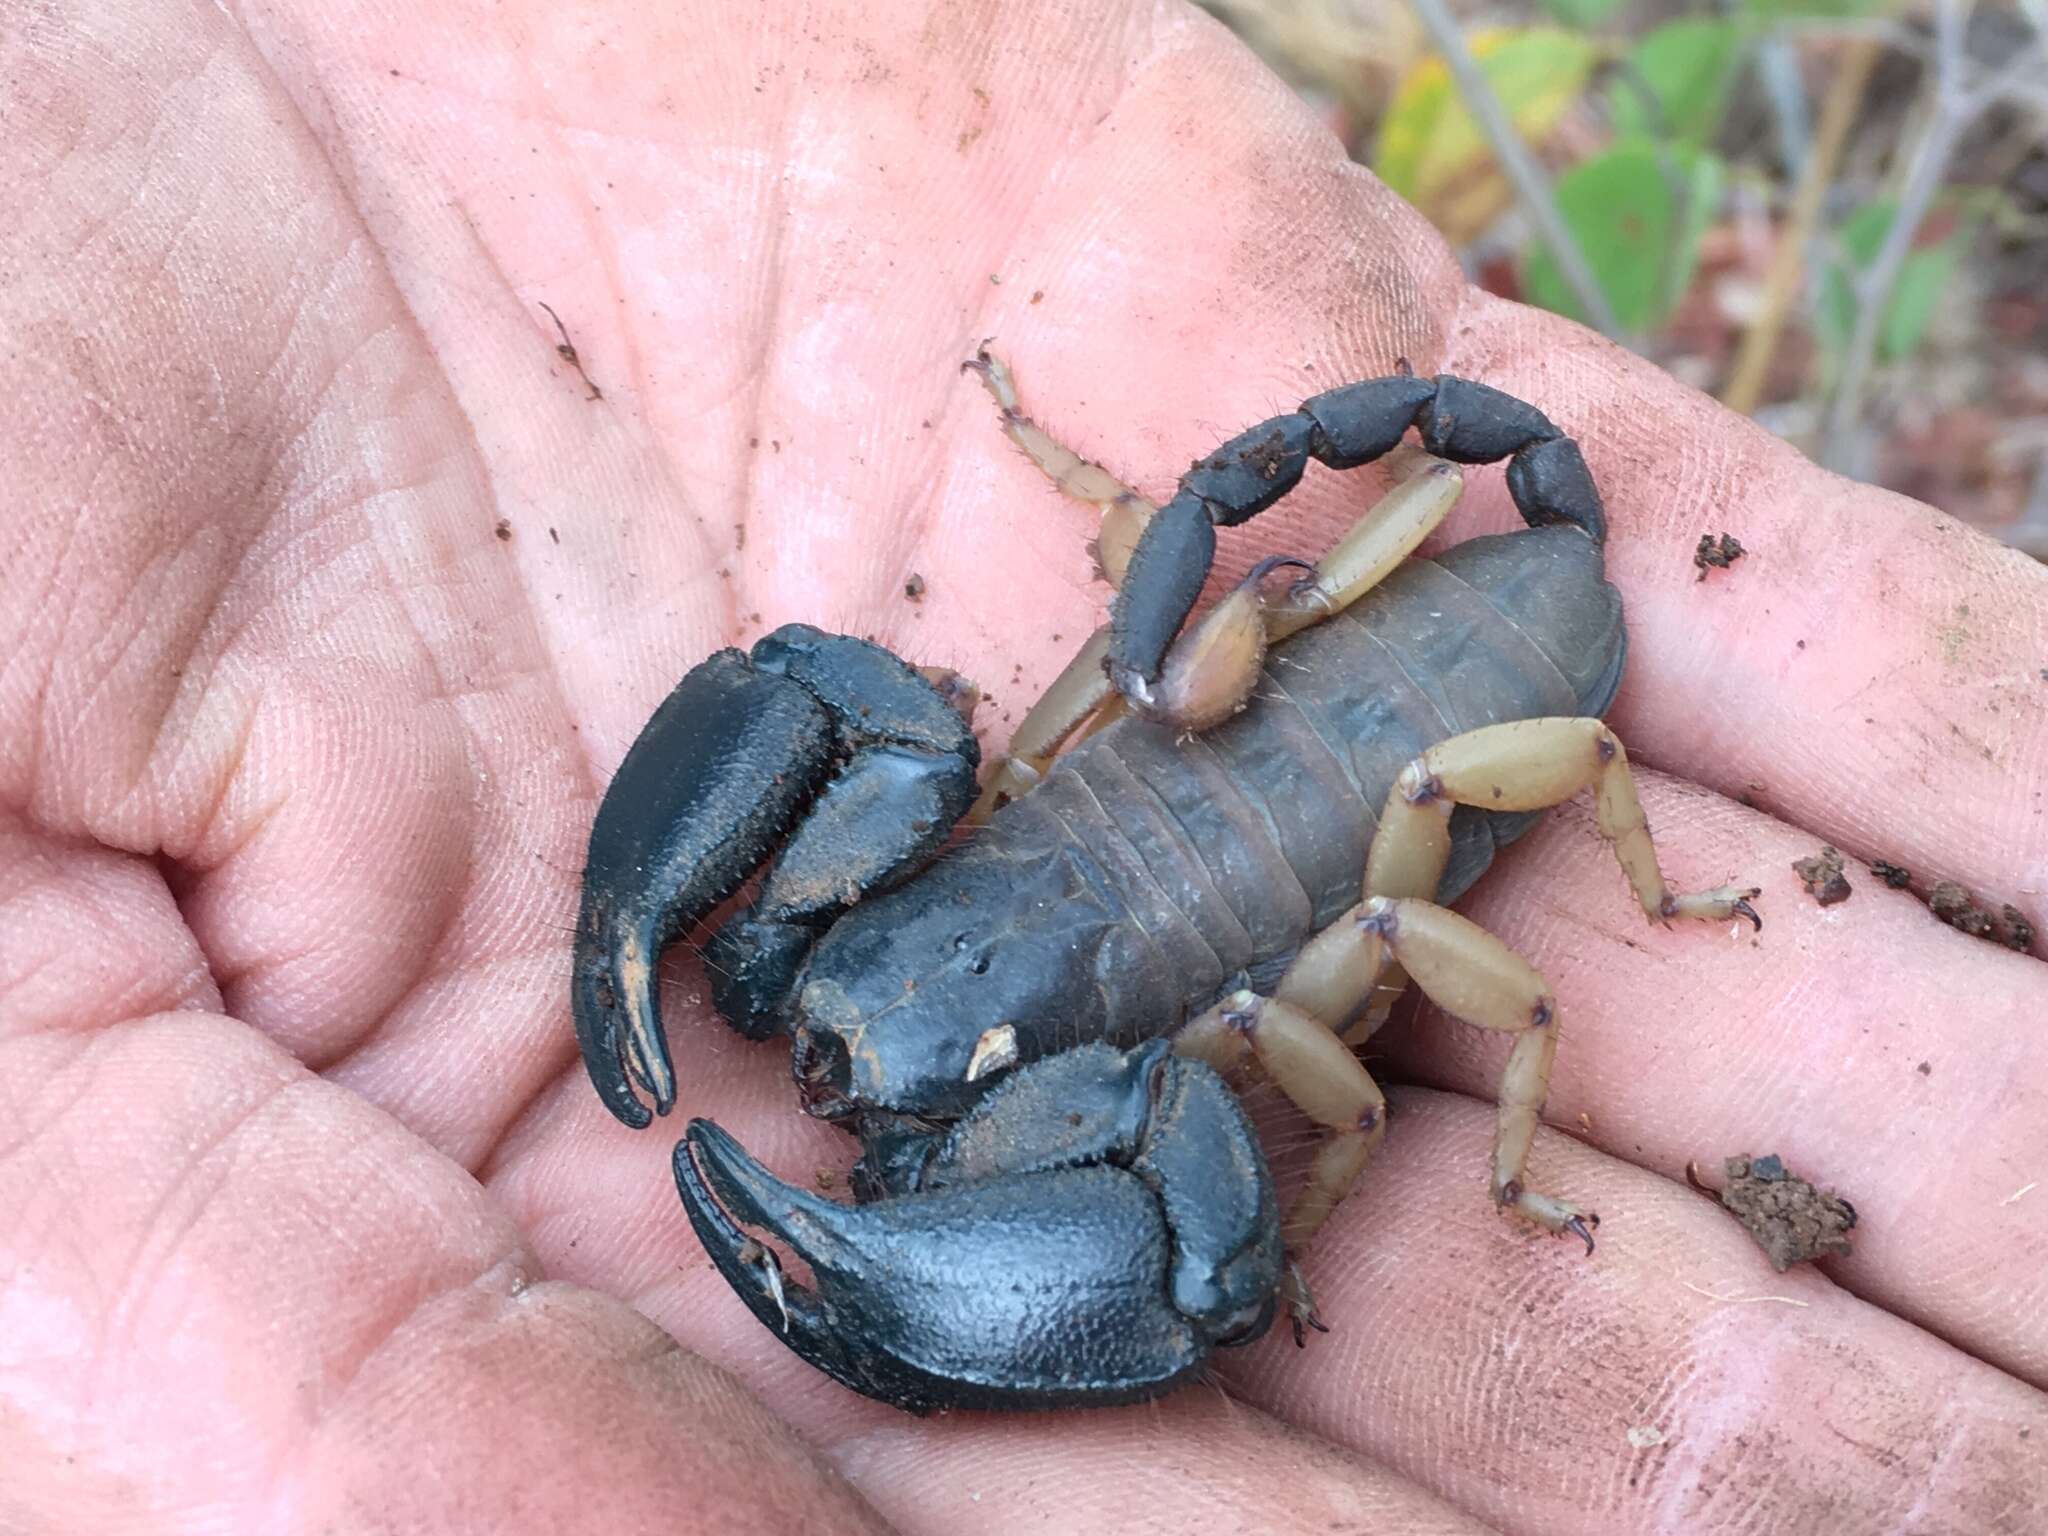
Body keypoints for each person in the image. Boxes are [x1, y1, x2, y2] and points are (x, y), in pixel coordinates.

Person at [4, 1, 2044, 1530]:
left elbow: (1211, 1217)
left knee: (1380, 875)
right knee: (1113, 701)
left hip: (1429, 723)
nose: (811, 1075)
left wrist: (1432, 1139)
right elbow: (836, 692)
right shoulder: (950, 822)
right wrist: (633, 920)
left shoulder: (1156, 1083)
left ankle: (1559, 1047)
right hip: (1222, 762)